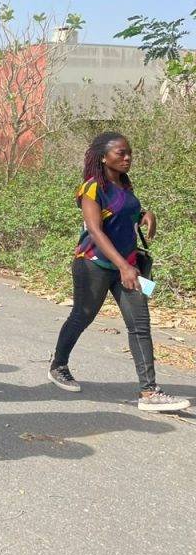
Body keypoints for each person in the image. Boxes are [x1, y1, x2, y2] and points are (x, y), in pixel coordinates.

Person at [48, 132, 190, 412]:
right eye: (120, 153)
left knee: (140, 325)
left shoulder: (124, 184)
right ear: (103, 157)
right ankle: (58, 364)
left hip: (128, 266)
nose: (127, 158)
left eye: (129, 153)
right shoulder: (91, 188)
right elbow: (96, 230)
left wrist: (144, 215)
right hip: (95, 264)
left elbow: (123, 213)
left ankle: (149, 392)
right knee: (83, 315)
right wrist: (123, 266)